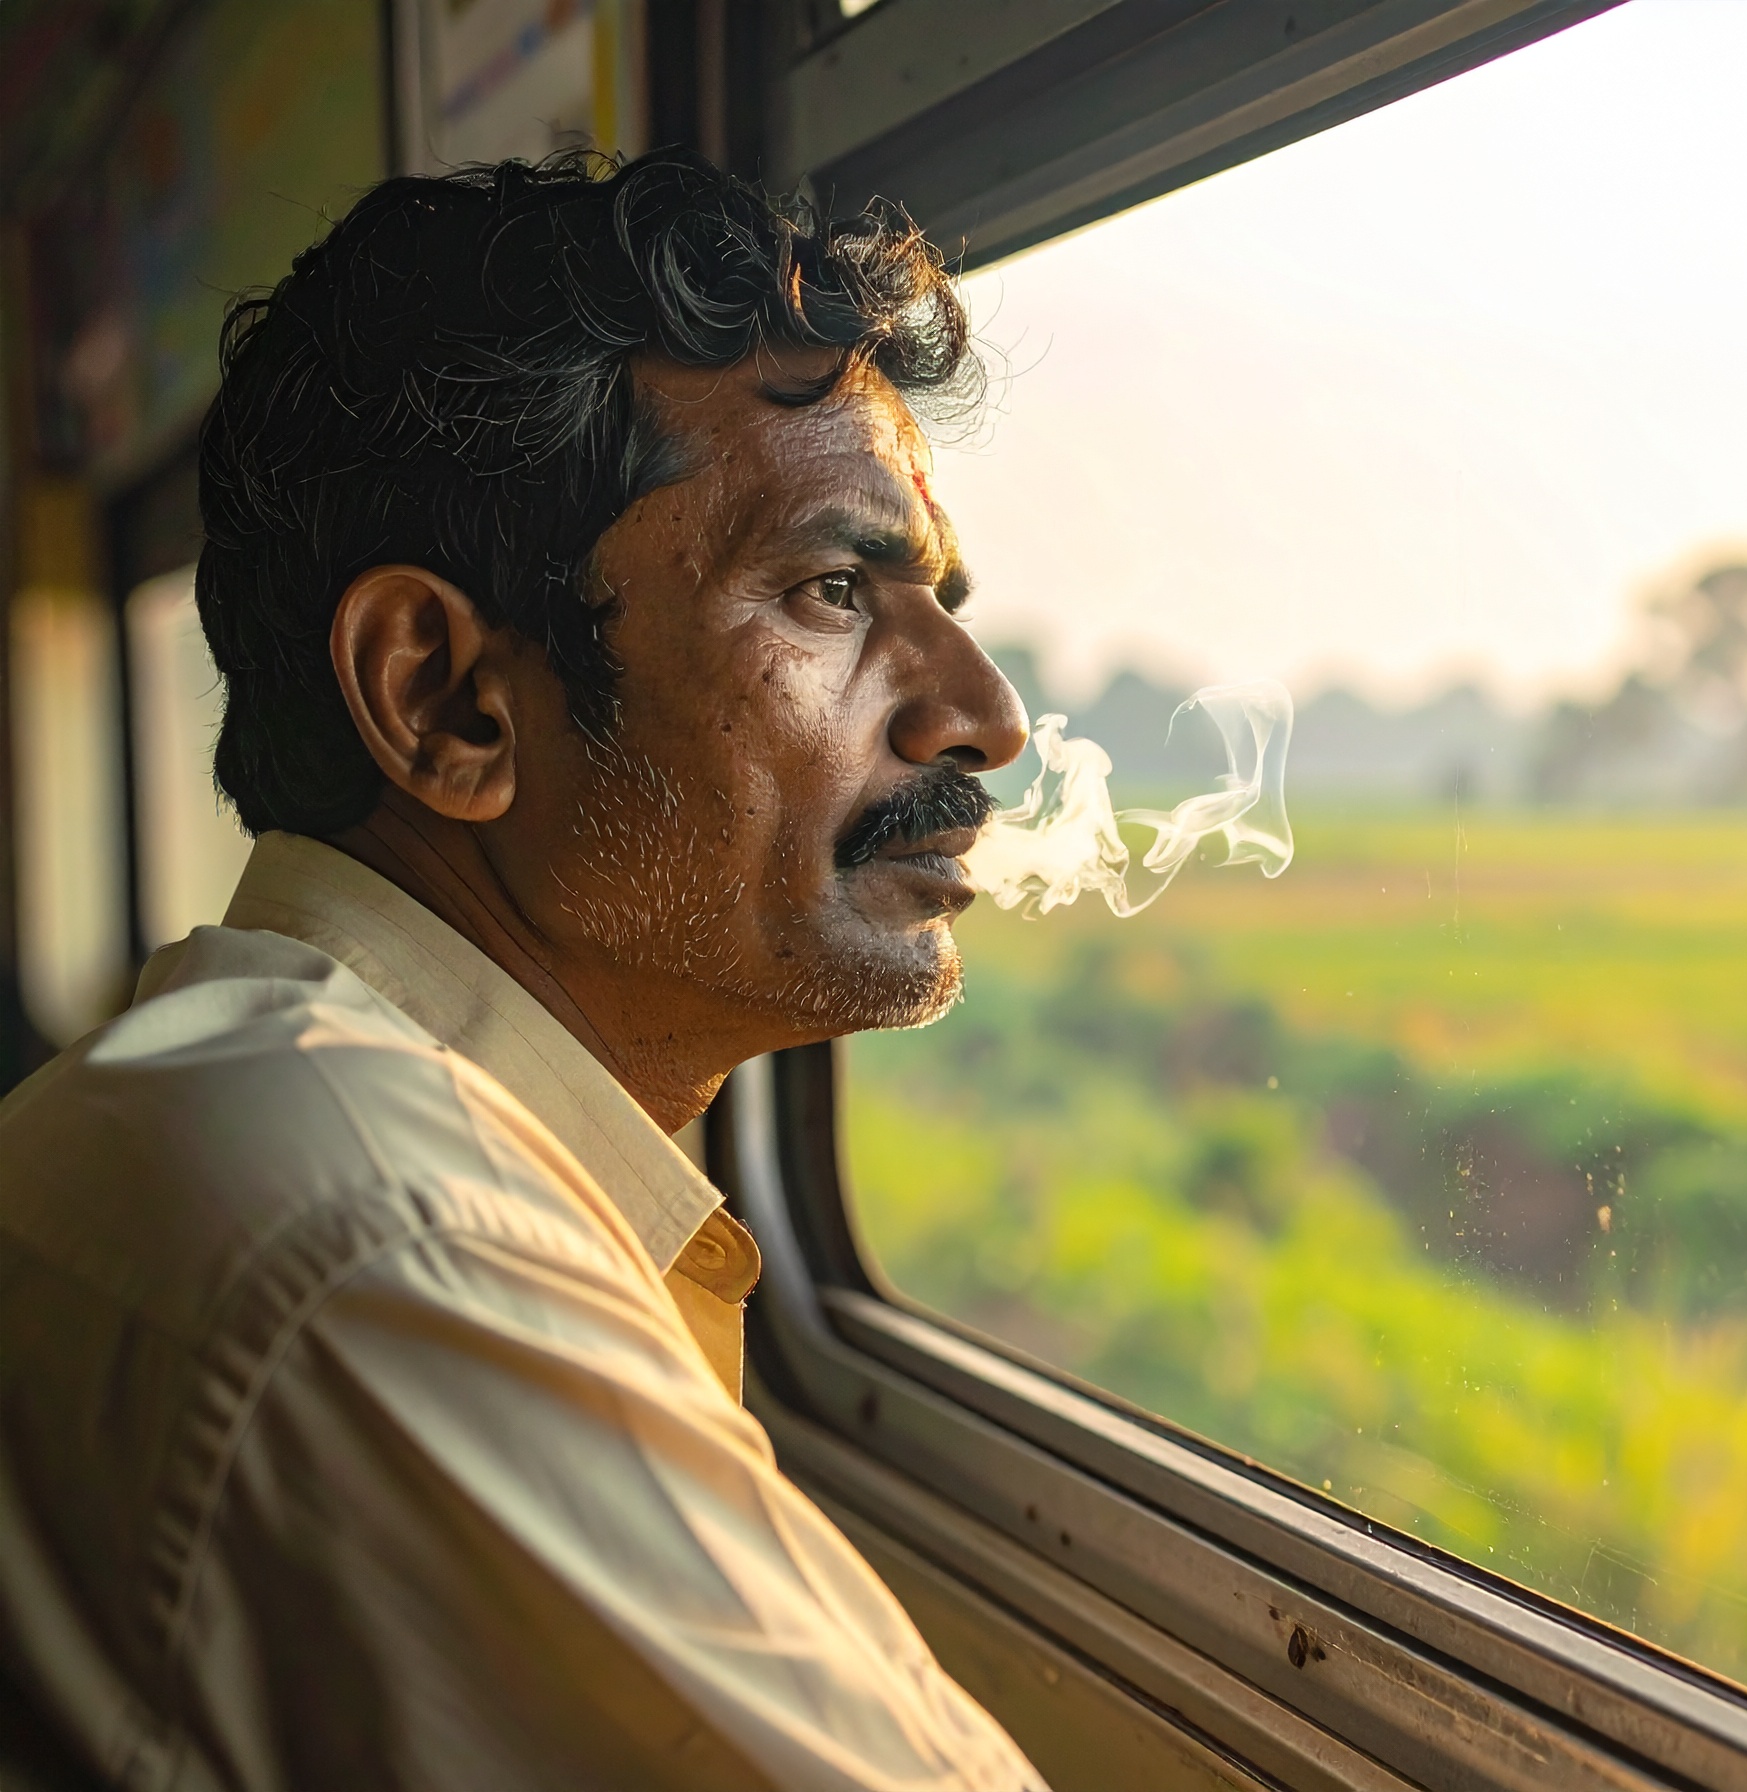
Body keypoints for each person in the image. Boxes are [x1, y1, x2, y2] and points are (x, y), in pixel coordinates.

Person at [0, 149, 1047, 1791]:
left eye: (938, 603)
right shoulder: (373, 1234)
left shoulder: (293, 1115)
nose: (984, 717)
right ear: (446, 703)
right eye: (834, 590)